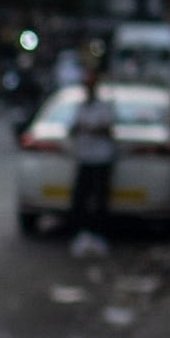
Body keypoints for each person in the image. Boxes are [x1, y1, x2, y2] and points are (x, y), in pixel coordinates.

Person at [67, 72, 120, 256]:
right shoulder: (81, 107)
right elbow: (73, 128)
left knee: (100, 199)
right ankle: (81, 233)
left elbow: (108, 129)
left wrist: (91, 129)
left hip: (101, 158)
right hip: (84, 157)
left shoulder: (104, 107)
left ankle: (101, 234)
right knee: (80, 198)